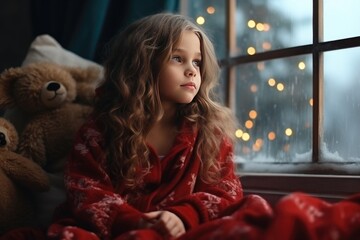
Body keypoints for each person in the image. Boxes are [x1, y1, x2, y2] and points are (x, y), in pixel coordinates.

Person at [46, 12, 244, 240]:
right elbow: (86, 192)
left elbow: (226, 193)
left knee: (254, 206)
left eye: (197, 62)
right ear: (142, 64)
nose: (192, 70)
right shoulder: (101, 131)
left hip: (184, 231)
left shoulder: (210, 132)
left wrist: (182, 216)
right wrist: (138, 221)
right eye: (178, 58)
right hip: (118, 230)